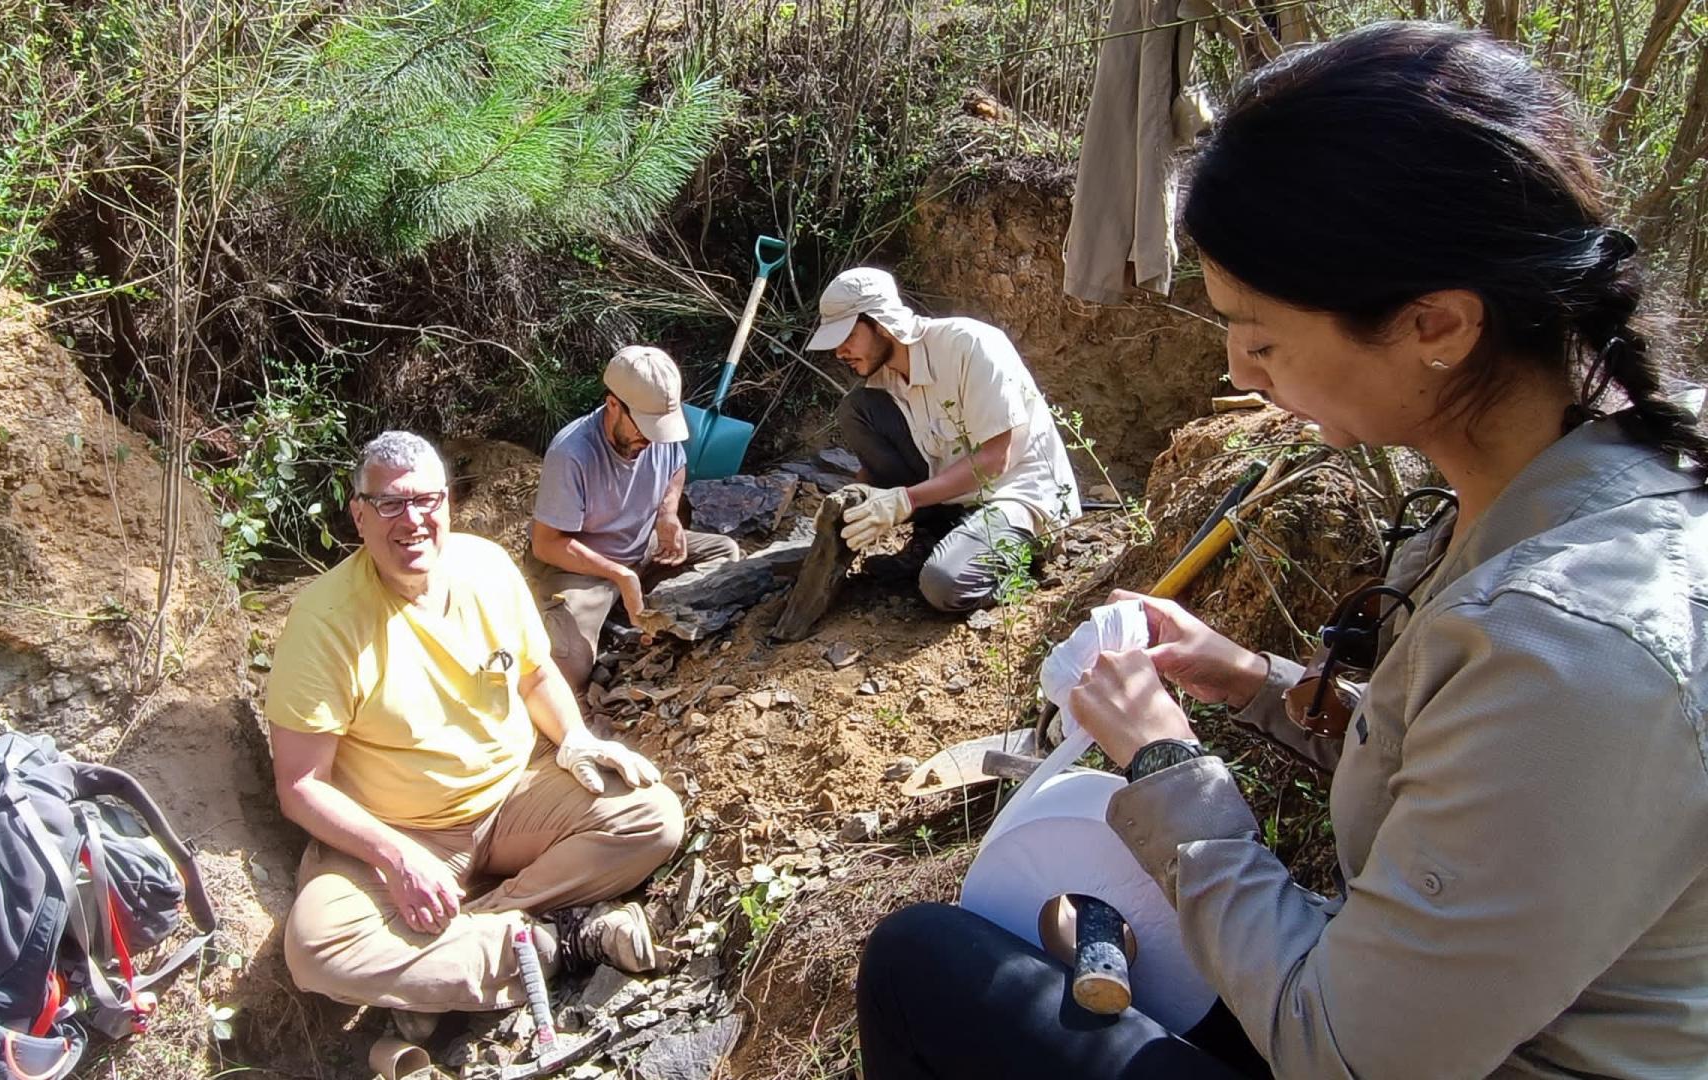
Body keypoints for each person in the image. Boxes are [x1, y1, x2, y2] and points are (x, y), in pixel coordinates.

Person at [857, 22, 1708, 1079]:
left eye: (1260, 338)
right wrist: (1255, 682)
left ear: (1437, 324)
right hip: (1439, 1018)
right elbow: (1468, 771)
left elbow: (1341, 1051)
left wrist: (1165, 763)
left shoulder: (1575, 644)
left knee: (921, 965)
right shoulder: (1579, 487)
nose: (1243, 373)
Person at [268, 430, 684, 1019]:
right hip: (399, 832)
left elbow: (536, 676)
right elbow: (300, 785)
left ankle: (476, 933)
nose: (411, 520)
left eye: (426, 501)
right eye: (390, 503)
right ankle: (561, 940)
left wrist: (576, 741)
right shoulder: (323, 622)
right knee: (317, 948)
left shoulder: (486, 567)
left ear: (447, 503)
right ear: (359, 515)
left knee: (653, 816)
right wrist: (396, 857)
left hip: (514, 799)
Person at [806, 267, 1080, 612]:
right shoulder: (884, 379)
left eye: (847, 336)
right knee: (856, 409)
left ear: (880, 322)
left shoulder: (971, 345)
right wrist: (849, 499)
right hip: (955, 497)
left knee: (943, 585)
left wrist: (904, 500)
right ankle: (936, 534)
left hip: (1017, 495)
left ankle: (1028, 558)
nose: (840, 352)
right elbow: (886, 465)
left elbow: (995, 460)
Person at [530, 346, 740, 690]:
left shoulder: (658, 431)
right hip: (583, 571)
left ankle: (650, 614)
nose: (652, 438)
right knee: (567, 672)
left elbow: (677, 466)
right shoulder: (571, 453)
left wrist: (667, 512)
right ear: (613, 404)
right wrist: (620, 575)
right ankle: (614, 610)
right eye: (644, 428)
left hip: (644, 548)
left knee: (726, 552)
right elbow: (546, 544)